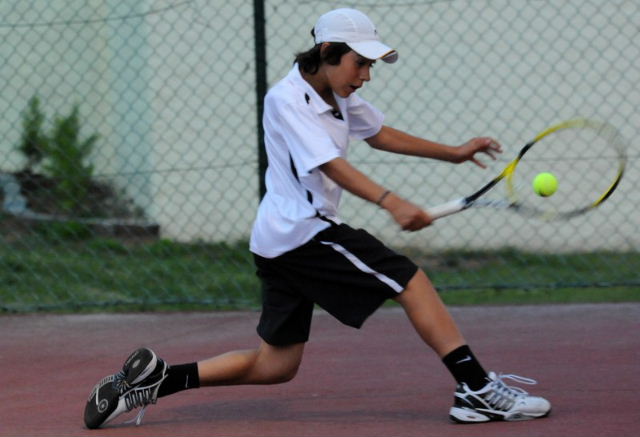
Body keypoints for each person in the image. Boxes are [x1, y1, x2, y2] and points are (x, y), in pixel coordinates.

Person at [83, 8, 551, 429]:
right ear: (327, 52)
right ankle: (476, 389)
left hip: (278, 241)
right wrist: (392, 201)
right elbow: (332, 164)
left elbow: (379, 133)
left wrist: (452, 153)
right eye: (360, 63)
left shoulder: (337, 92)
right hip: (303, 233)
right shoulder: (287, 99)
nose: (366, 75)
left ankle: (156, 380)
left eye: (369, 65)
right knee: (411, 282)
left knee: (276, 366)